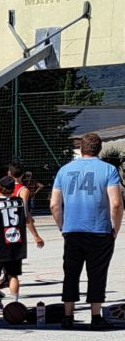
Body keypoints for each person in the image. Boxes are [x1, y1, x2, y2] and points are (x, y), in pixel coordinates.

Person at [50, 132, 123, 329]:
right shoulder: (108, 170)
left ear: (81, 148)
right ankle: (96, 316)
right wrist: (115, 227)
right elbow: (116, 203)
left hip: (72, 229)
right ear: (99, 149)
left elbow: (54, 204)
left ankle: (68, 316)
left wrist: (62, 226)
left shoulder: (64, 170)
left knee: (71, 273)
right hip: (99, 229)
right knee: (97, 273)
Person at [0, 175, 44, 302]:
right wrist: (36, 236)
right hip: (15, 243)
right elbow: (27, 219)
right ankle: (15, 301)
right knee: (13, 275)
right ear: (14, 189)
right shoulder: (20, 202)